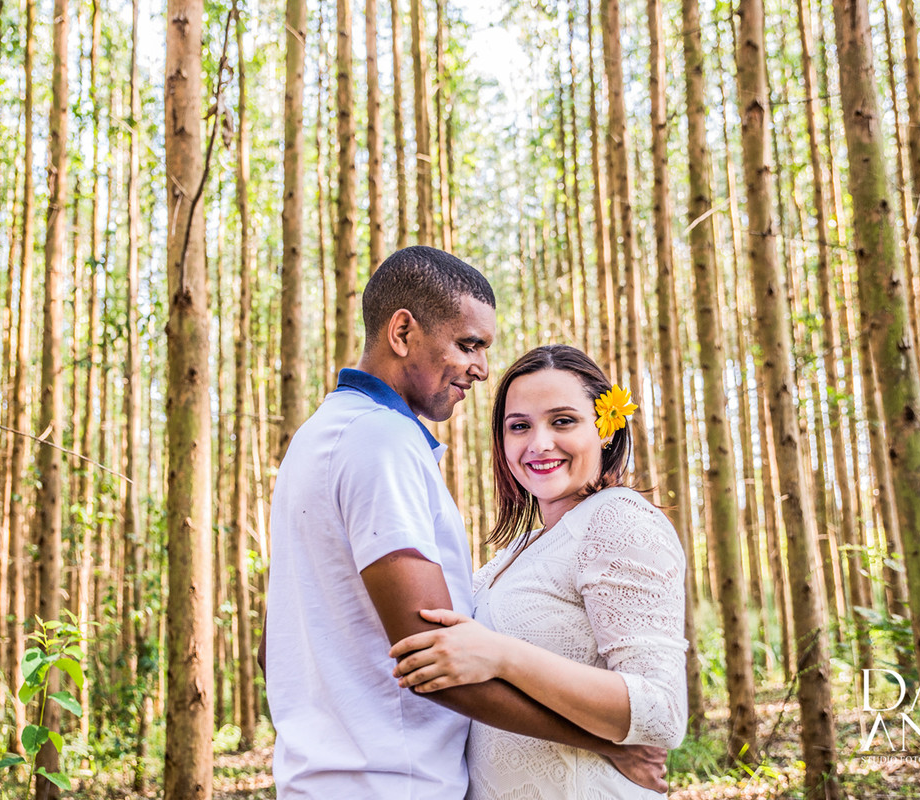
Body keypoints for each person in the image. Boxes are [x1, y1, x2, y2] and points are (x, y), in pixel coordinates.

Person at [260, 248, 668, 798]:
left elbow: (272, 645)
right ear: (402, 331)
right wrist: (603, 740)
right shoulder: (380, 441)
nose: (480, 367)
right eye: (468, 345)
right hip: (391, 786)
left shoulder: (315, 438)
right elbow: (432, 655)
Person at [389, 344, 688, 799]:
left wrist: (502, 655)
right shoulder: (520, 547)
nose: (539, 443)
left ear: (605, 429)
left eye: (562, 421)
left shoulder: (618, 519)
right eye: (520, 427)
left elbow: (662, 712)